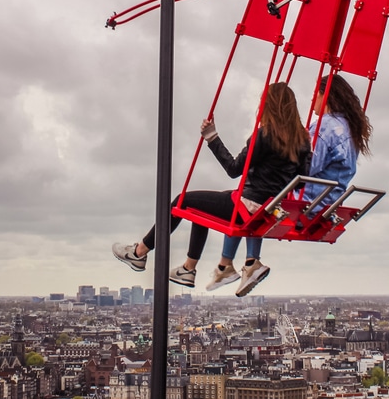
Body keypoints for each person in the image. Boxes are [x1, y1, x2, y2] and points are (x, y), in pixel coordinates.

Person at [112, 82, 311, 292]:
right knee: (201, 208)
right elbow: (303, 180)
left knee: (182, 201)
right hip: (268, 210)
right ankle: (187, 269)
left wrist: (212, 138)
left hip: (247, 206)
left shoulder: (265, 135)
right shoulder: (303, 140)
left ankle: (139, 252)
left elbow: (234, 168)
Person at [205, 73, 373, 295]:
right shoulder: (350, 130)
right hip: (328, 205)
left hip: (306, 203)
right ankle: (244, 263)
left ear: (327, 97)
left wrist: (274, 150)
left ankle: (231, 264)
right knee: (253, 196)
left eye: (316, 95)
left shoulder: (324, 128)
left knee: (248, 197)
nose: (313, 100)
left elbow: (303, 167)